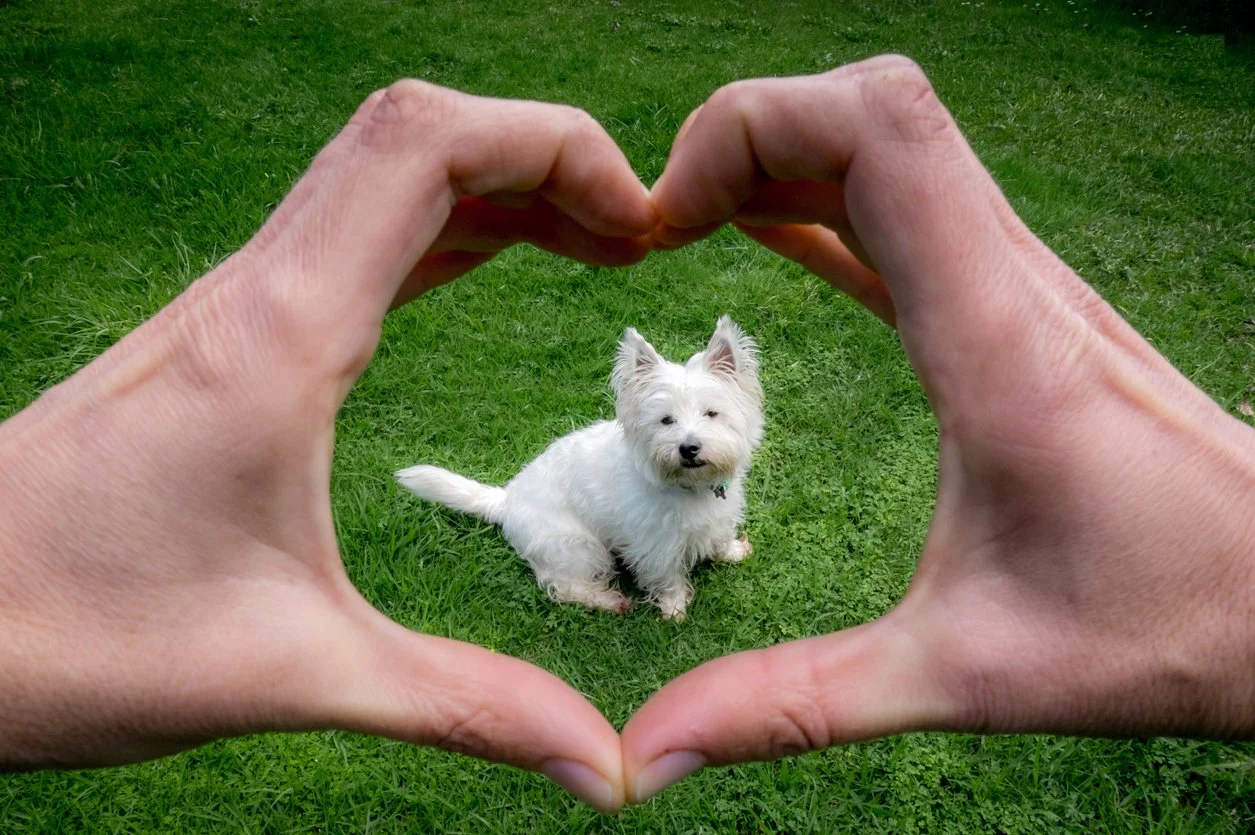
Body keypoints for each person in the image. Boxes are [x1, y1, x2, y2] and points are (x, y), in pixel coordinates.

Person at [0, 56, 1251, 814]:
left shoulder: (718, 432)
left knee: (705, 529)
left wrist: (718, 525)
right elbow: (655, 512)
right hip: (558, 514)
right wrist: (667, 577)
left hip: (624, 492)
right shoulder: (623, 470)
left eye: (711, 414)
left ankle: (686, 559)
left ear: (741, 403)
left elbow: (708, 476)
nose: (693, 435)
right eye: (667, 418)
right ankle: (593, 582)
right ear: (630, 413)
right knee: (625, 547)